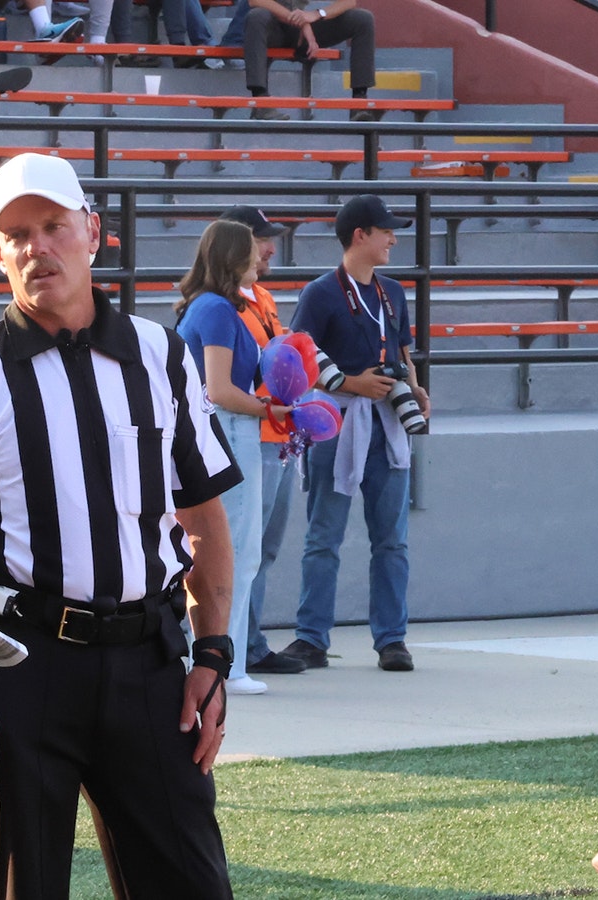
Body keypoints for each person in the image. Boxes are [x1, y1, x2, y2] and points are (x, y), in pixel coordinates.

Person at [0, 152, 239, 899]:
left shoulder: (162, 355)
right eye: (17, 234)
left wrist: (214, 651)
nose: (39, 247)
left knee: (191, 881)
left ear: (93, 232)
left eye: (54, 226)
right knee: (23, 884)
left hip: (149, 662)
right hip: (23, 666)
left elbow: (201, 512)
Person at [284, 194, 428, 673]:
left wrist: (414, 386)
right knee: (324, 535)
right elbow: (299, 355)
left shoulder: (393, 291)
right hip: (338, 422)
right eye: (386, 230)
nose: (394, 238)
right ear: (359, 235)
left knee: (392, 540)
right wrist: (351, 383)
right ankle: (311, 637)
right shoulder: (322, 292)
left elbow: (403, 350)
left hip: (385, 421)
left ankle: (392, 639)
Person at [174, 218, 293, 696]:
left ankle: (224, 658)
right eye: (251, 250)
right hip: (230, 430)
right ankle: (230, 663)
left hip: (225, 428)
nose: (260, 257)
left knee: (233, 551)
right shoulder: (219, 311)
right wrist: (273, 408)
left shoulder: (214, 307)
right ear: (231, 257)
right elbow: (220, 390)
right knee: (236, 551)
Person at [217, 205, 308, 677]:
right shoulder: (223, 305)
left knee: (263, 549)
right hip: (252, 433)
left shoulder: (264, 298)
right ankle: (237, 649)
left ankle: (250, 642)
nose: (271, 247)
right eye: (262, 238)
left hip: (277, 435)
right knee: (242, 548)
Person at [238, 0, 374, 121]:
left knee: (363, 18)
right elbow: (255, 1)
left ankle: (359, 103)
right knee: (256, 16)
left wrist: (317, 14)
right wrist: (302, 24)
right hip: (276, 26)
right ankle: (260, 101)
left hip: (310, 22)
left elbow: (349, 2)